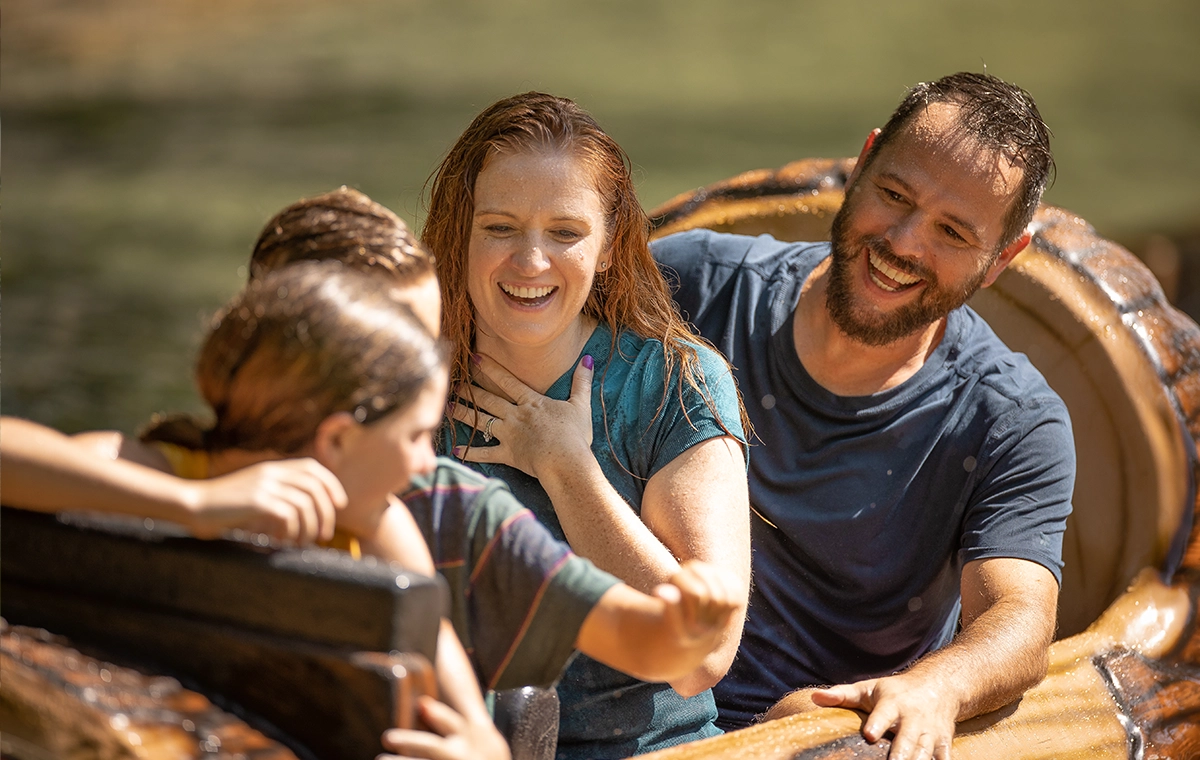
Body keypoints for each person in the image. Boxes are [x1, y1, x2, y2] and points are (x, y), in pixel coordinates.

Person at [1, 188, 743, 760]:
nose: (434, 445)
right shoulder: (184, 469)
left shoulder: (396, 515)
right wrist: (192, 505)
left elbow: (452, 656)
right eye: (400, 360)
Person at [651, 72, 1075, 760]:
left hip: (808, 733)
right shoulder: (689, 285)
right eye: (894, 194)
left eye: (951, 231)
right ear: (863, 162)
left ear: (1004, 259)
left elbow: (1019, 616)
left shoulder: (1012, 420)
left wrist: (937, 685)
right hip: (616, 692)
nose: (903, 242)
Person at [423, 92, 753, 759]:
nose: (531, 260)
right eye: (500, 227)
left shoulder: (676, 383)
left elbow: (702, 659)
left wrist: (565, 465)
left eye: (565, 232)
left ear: (607, 247)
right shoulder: (405, 381)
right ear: (460, 234)